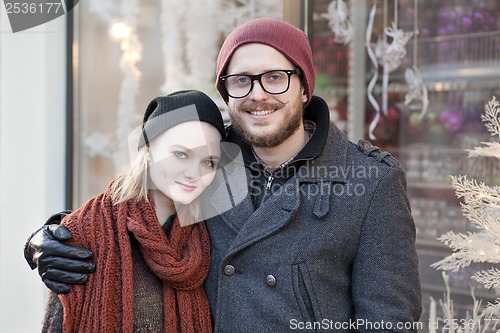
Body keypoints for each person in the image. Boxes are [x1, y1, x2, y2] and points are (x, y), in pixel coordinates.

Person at [26, 18, 422, 332]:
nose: (258, 94)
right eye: (240, 81)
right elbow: (135, 211)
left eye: (275, 77)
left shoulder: (369, 182)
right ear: (227, 93)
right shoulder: (209, 159)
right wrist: (54, 236)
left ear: (304, 88)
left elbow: (388, 322)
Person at [40, 90, 239, 332]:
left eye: (208, 162)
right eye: (180, 154)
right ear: (148, 149)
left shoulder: (209, 234)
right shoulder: (85, 232)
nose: (193, 172)